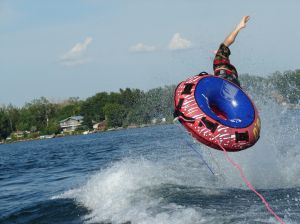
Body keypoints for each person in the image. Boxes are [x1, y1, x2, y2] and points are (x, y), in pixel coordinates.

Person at [213, 16, 250, 87]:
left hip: (226, 76)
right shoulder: (221, 61)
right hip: (232, 79)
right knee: (224, 45)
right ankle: (238, 27)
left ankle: (239, 26)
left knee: (224, 45)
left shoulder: (220, 61)